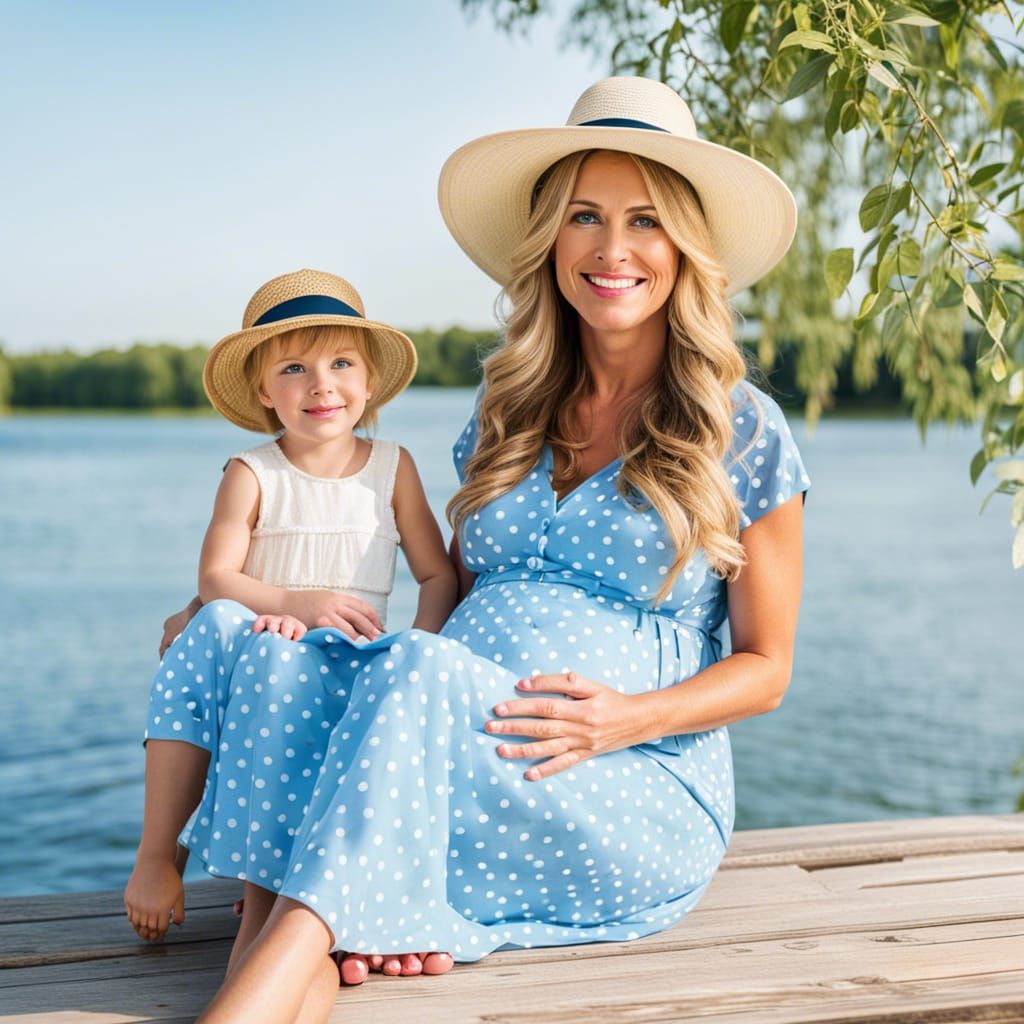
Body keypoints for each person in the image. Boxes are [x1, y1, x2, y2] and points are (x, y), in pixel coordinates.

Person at [173, 75, 809, 1024]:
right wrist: (246, 612)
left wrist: (624, 718)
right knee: (275, 665)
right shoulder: (505, 409)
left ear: (685, 246)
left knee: (419, 679)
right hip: (456, 760)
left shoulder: (742, 430)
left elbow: (768, 669)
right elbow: (452, 595)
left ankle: (278, 951)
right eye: (584, 216)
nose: (613, 248)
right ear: (550, 239)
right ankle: (301, 933)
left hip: (623, 785)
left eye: (646, 220)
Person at [123, 269, 458, 960]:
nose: (321, 385)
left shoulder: (391, 467)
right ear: (262, 390)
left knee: (346, 693)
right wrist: (291, 605)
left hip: (349, 662)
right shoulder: (252, 472)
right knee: (209, 629)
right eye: (294, 368)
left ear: (369, 384)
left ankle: (291, 879)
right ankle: (159, 854)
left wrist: (417, 644)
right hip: (262, 646)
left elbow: (435, 572)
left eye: (341, 365)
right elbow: (216, 577)